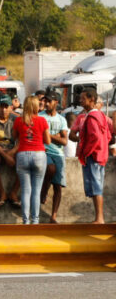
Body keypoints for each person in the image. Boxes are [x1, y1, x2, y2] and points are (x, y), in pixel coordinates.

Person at [12, 96, 51, 224]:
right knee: (36, 191)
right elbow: (48, 141)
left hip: (23, 154)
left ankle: (25, 221)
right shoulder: (42, 120)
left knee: (25, 190)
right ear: (35, 106)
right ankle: (35, 221)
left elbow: (14, 137)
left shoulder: (18, 120)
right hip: (39, 154)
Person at [74, 89, 109, 224]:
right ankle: (99, 217)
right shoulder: (100, 116)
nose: (81, 101)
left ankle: (99, 218)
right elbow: (108, 136)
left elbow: (95, 137)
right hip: (100, 156)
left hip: (93, 156)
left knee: (96, 188)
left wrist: (86, 152)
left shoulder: (91, 117)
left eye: (83, 99)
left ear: (92, 100)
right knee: (97, 186)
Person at [39, 91, 68, 223]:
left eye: (49, 101)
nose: (46, 104)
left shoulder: (61, 119)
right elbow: (39, 136)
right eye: (45, 101)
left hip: (58, 153)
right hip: (44, 151)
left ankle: (54, 216)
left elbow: (64, 141)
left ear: (56, 102)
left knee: (58, 186)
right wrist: (56, 136)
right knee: (50, 168)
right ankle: (43, 193)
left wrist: (49, 136)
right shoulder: (40, 116)